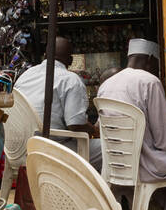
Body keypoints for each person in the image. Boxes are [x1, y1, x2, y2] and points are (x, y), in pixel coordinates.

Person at [96, 38, 166, 210]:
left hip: (117, 167)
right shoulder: (149, 81)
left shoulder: (106, 85)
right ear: (149, 60)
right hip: (147, 167)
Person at [13, 35, 102, 169]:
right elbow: (75, 125)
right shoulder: (71, 80)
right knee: (109, 149)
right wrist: (94, 130)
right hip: (50, 150)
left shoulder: (25, 76)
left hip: (19, 150)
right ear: (71, 60)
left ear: (45, 55)